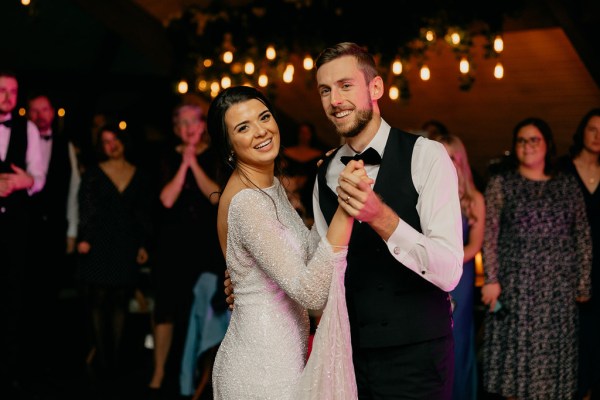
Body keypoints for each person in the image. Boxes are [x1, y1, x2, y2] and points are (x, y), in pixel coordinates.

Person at [209, 85, 363, 399]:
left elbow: (307, 254)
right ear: (228, 147)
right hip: (260, 372)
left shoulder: (272, 186)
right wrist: (348, 207)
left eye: (264, 117)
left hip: (281, 360)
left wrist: (328, 186)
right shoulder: (247, 203)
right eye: (243, 127)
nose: (260, 131)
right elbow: (311, 294)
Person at [481, 117, 592, 399]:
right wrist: (491, 279)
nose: (527, 146)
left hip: (558, 293)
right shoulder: (501, 183)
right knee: (515, 369)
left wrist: (582, 283)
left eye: (534, 139)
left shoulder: (566, 185)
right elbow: (490, 234)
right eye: (521, 140)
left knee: (553, 370)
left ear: (547, 144)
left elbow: (582, 235)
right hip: (517, 289)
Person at [149, 103, 225, 396]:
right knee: (166, 308)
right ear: (175, 128)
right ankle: (159, 373)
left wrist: (194, 162)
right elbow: (167, 199)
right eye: (181, 123)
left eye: (192, 121)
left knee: (204, 312)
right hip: (172, 244)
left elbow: (216, 197)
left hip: (206, 246)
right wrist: (183, 163)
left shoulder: (216, 156)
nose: (187, 128)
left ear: (202, 124)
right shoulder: (166, 156)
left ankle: (201, 380)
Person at [76, 123, 153, 376]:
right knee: (98, 300)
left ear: (123, 141)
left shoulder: (139, 174)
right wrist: (84, 238)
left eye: (115, 139)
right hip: (98, 243)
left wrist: (142, 244)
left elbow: (142, 213)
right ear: (101, 147)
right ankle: (102, 359)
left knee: (120, 300)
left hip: (125, 243)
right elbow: (86, 208)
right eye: (106, 141)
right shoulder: (94, 173)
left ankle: (116, 362)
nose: (112, 145)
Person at [0, 70, 46, 396]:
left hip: (16, 226)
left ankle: (9, 372)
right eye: (2, 90)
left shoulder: (27, 128)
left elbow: (39, 176)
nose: (8, 96)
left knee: (12, 298)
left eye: (13, 91)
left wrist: (23, 181)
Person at [433, 133, 485, 400]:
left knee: (459, 340)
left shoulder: (473, 198)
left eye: (452, 156)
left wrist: (445, 260)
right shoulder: (426, 193)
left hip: (459, 279)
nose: (447, 161)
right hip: (430, 277)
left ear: (460, 160)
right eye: (441, 155)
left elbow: (475, 246)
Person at [556, 108, 600, 400]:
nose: (598, 137)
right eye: (593, 129)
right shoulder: (562, 169)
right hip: (571, 265)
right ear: (582, 131)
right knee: (575, 339)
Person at [282, 121, 324, 226]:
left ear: (311, 135)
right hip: (288, 193)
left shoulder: (319, 155)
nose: (303, 136)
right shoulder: (287, 152)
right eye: (301, 132)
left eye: (307, 133)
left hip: (309, 196)